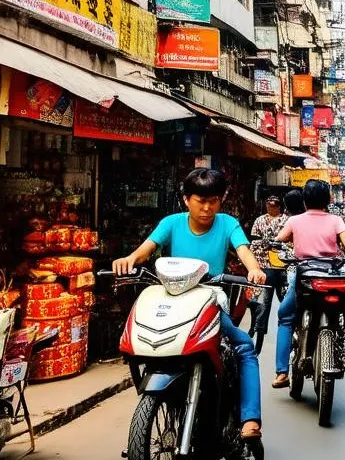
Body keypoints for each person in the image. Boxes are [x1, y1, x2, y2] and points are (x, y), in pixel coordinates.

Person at [112, 168, 267, 446]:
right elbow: (145, 249)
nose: (207, 208)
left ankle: (250, 419)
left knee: (243, 347)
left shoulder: (228, 224)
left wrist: (254, 269)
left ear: (222, 201)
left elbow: (244, 251)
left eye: (213, 201)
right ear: (186, 200)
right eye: (200, 201)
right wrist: (130, 259)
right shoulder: (171, 223)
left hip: (210, 302)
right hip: (171, 301)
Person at [273, 180, 345, 388]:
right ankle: (337, 339)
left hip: (305, 276)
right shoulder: (336, 220)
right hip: (332, 274)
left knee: (285, 316)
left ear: (304, 200)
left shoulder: (295, 221)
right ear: (328, 200)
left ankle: (282, 372)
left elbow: (278, 240)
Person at [248, 194, 288, 343]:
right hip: (263, 265)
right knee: (258, 300)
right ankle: (257, 326)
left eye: (273, 205)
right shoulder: (260, 220)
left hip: (282, 265)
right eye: (268, 205)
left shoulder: (286, 220)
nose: (270, 208)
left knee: (286, 301)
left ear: (278, 207)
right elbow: (254, 240)